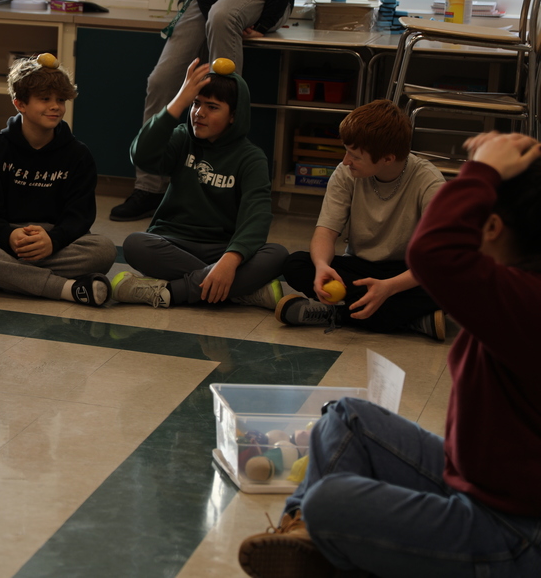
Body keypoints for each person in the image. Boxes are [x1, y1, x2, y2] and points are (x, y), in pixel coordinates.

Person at [237, 131, 541, 578]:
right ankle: (305, 538)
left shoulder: (526, 299)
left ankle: (320, 533)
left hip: (510, 533)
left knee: (329, 504)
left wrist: (483, 171)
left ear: (491, 227)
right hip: (474, 484)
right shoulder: (518, 285)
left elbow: (433, 253)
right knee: (347, 416)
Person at [110, 0, 308, 221]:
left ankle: (218, 187)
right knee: (162, 80)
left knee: (221, 21)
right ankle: (149, 188)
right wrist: (206, 7)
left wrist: (267, 19)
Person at [0, 54, 116, 307]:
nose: (56, 107)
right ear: (19, 104)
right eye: (45, 99)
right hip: (2, 240)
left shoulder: (79, 155)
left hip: (52, 242)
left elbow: (80, 217)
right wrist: (9, 235)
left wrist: (52, 240)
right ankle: (63, 288)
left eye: (60, 100)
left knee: (104, 249)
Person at [111, 58, 287, 310]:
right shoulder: (183, 138)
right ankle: (239, 291)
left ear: (233, 116)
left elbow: (256, 218)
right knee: (135, 244)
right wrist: (178, 101)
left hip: (222, 250)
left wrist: (230, 260)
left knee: (277, 254)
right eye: (195, 104)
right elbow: (142, 155)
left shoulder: (251, 158)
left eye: (212, 107)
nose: (199, 113)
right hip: (171, 242)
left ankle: (172, 292)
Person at [275, 99, 447, 340]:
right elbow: (325, 231)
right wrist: (323, 266)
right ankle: (409, 320)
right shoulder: (346, 173)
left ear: (387, 158)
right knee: (296, 264)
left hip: (407, 271)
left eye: (354, 155)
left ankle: (335, 312)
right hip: (359, 267)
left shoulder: (429, 182)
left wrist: (390, 287)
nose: (346, 160)